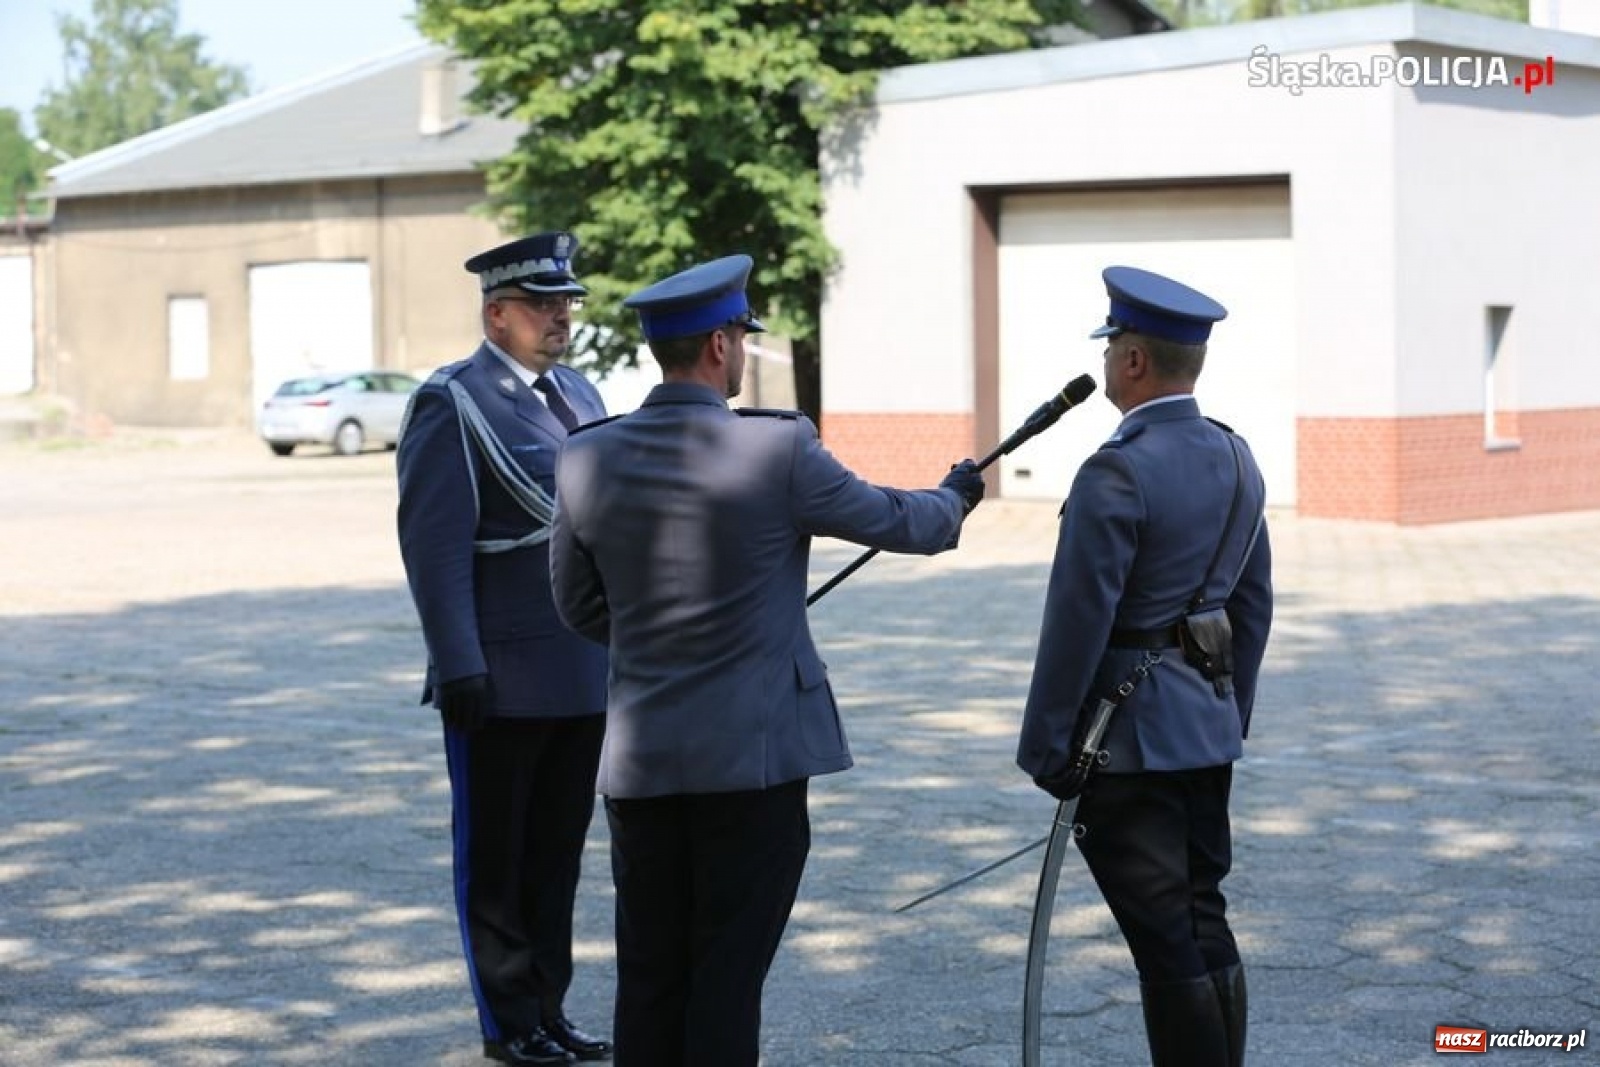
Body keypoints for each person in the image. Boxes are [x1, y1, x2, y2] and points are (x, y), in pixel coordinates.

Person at [547, 254, 987, 1066]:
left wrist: (661, 637)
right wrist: (956, 495)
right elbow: (902, 521)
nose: (744, 351)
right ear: (719, 345)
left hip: (642, 767)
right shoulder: (775, 449)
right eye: (742, 337)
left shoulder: (586, 454)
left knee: (649, 975)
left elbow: (577, 606)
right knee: (726, 976)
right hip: (751, 768)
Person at [1016, 266, 1273, 1067]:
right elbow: (1252, 607)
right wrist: (1230, 714)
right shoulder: (1236, 456)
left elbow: (1077, 623)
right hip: (1204, 725)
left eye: (1112, 343)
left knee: (1166, 942)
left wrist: (1046, 746)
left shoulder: (1116, 470)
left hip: (1122, 741)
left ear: (1131, 361)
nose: (1107, 358)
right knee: (1202, 918)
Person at [397, 231, 613, 1065]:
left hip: (582, 667)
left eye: (566, 303)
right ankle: (508, 1022)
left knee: (556, 858)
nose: (562, 316)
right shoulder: (452, 402)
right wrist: (458, 662)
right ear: (497, 314)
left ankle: (549, 1009)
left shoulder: (582, 393)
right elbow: (434, 545)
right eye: (544, 304)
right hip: (499, 672)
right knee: (497, 862)